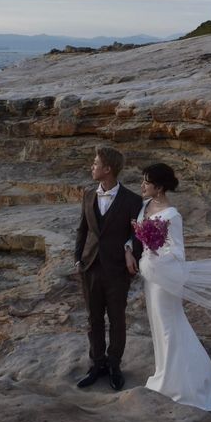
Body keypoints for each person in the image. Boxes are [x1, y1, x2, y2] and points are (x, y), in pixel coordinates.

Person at [136, 163, 211, 411]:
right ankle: (165, 372)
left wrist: (157, 258)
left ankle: (179, 385)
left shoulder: (172, 215)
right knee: (158, 324)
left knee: (169, 325)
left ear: (159, 187)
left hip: (165, 276)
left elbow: (177, 251)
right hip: (150, 275)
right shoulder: (144, 206)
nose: (142, 186)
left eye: (147, 182)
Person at [74, 146, 142, 391]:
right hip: (90, 266)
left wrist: (130, 253)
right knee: (93, 319)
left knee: (117, 319)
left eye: (95, 163)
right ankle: (97, 364)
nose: (92, 167)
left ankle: (114, 365)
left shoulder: (133, 200)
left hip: (117, 270)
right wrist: (78, 259)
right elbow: (83, 229)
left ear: (108, 169)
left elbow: (137, 235)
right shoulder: (88, 195)